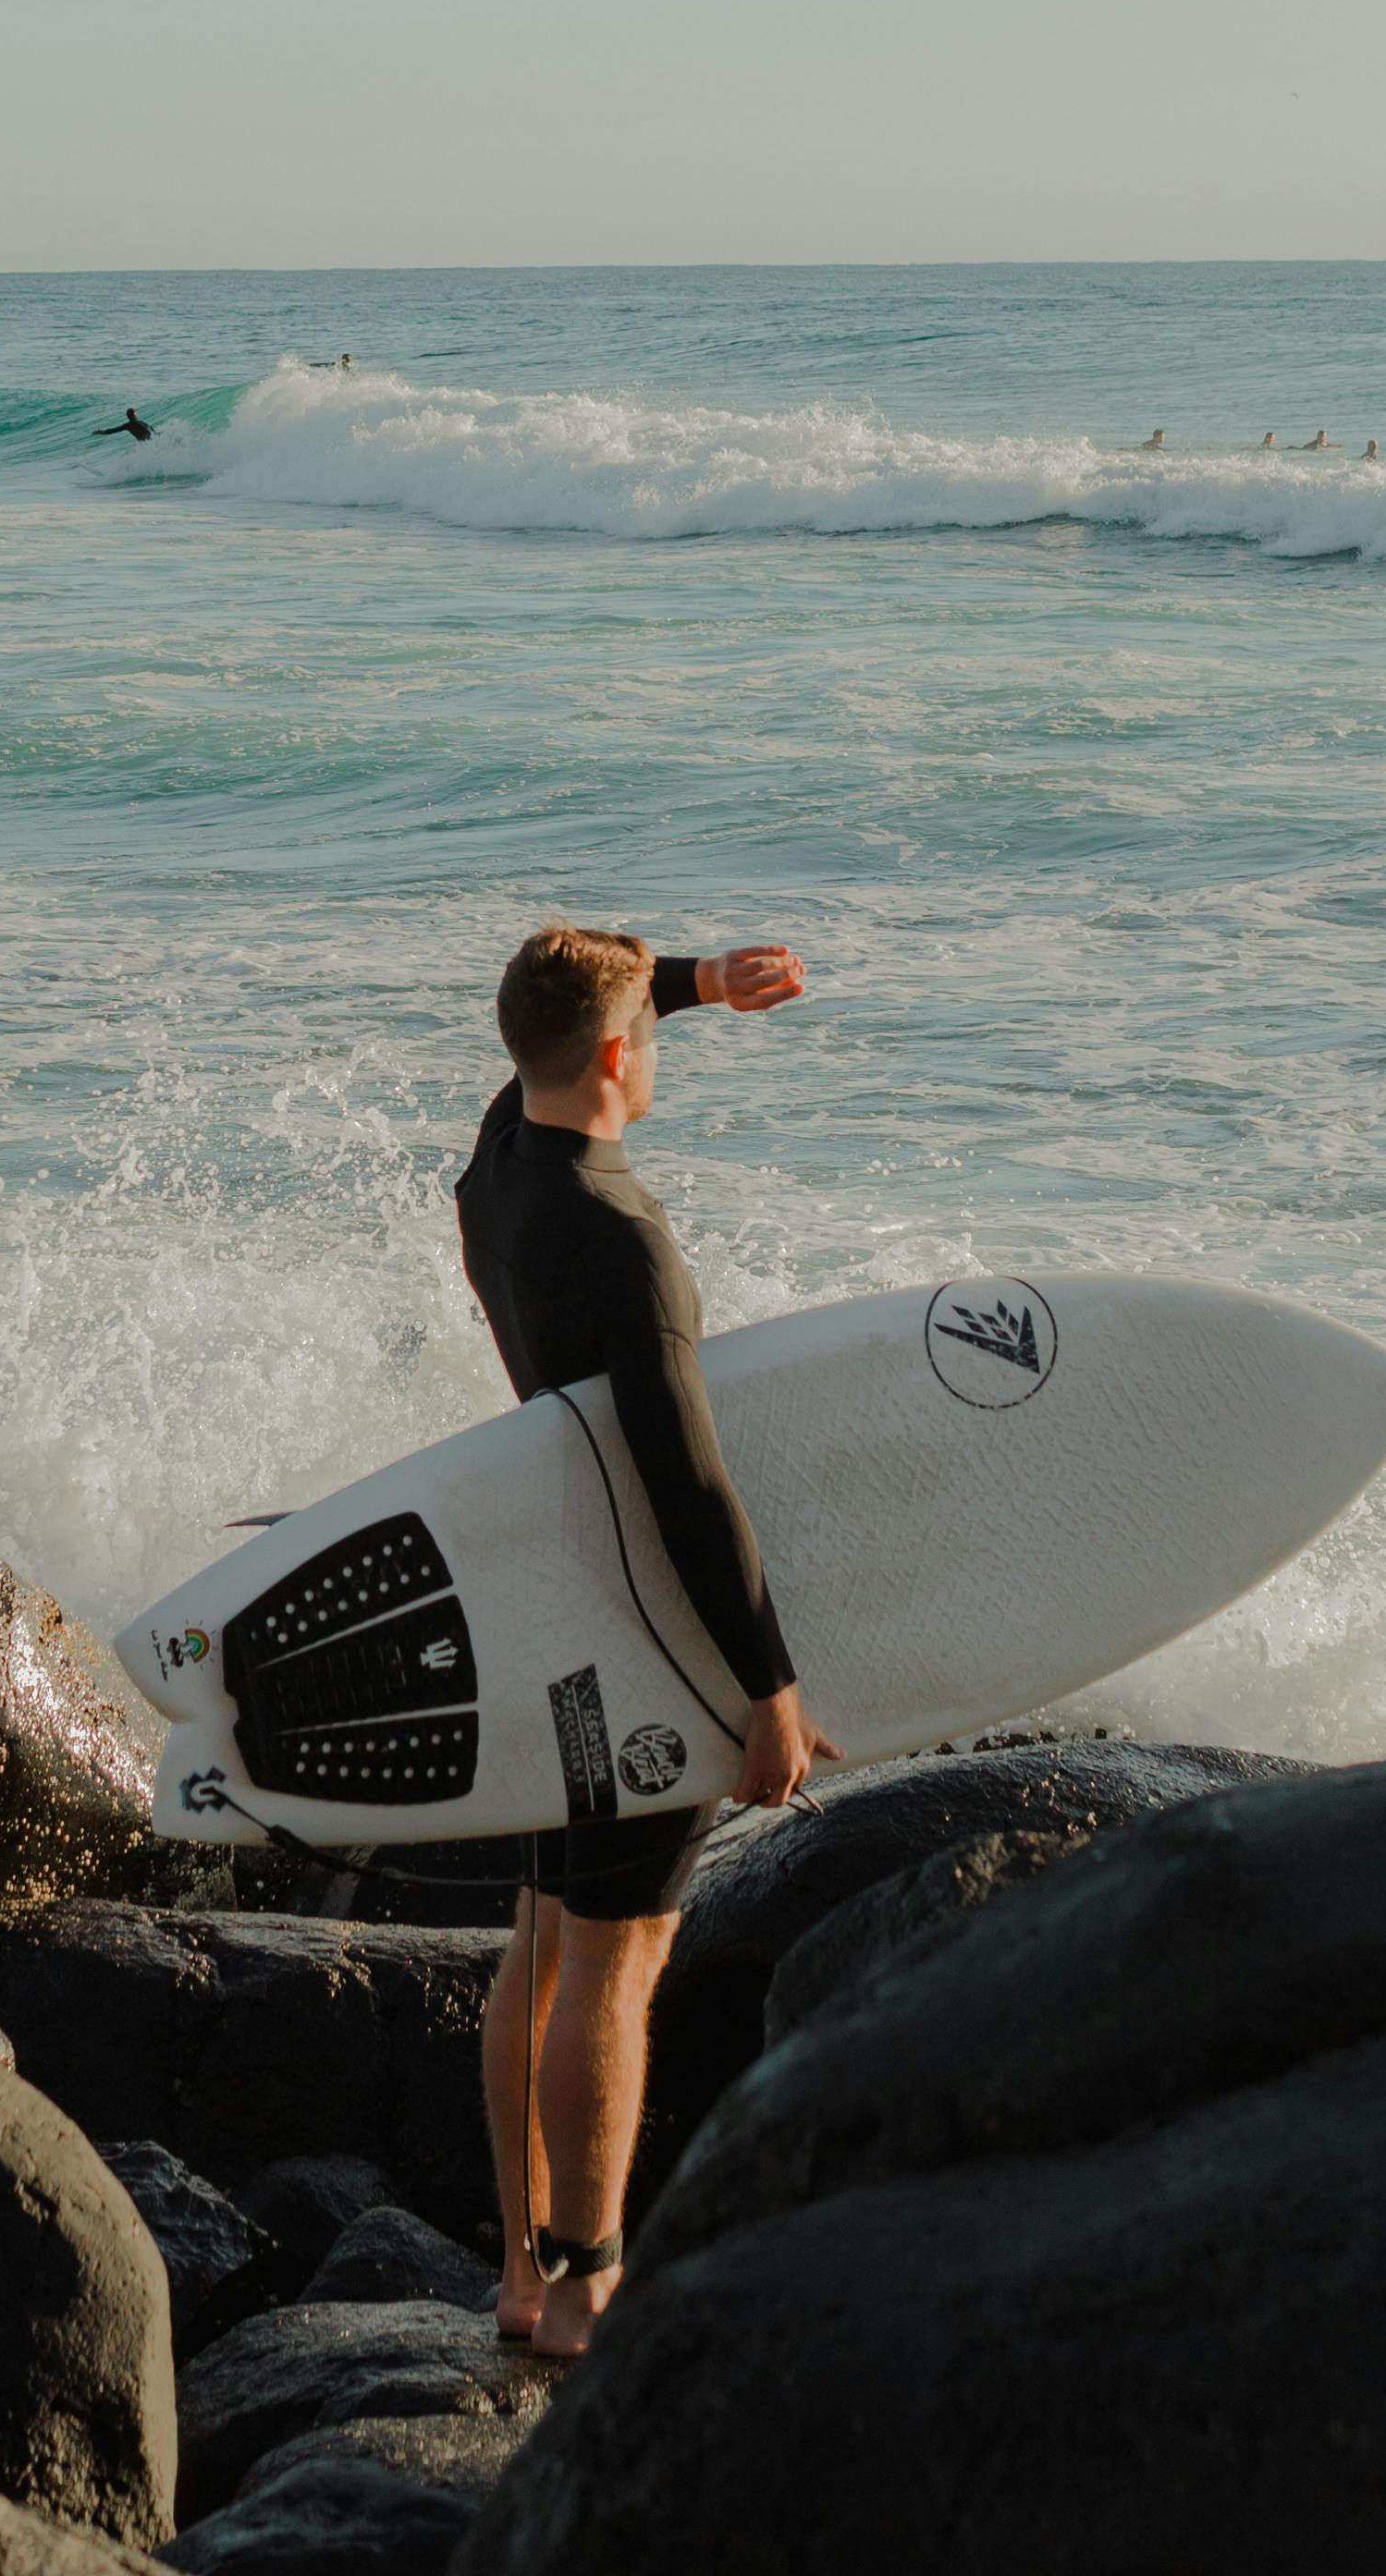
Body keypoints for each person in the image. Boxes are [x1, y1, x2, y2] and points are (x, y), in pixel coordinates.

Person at [454, 922, 831, 2355]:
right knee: (619, 1952)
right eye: (655, 1035)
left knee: (543, 1936)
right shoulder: (624, 1240)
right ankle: (589, 2287)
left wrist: (689, 984)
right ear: (619, 1062)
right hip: (636, 1625)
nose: (661, 1050)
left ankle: (519, 2267)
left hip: (547, 1594)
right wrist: (769, 1685)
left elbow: (569, 1022)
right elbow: (689, 1484)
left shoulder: (503, 1156)